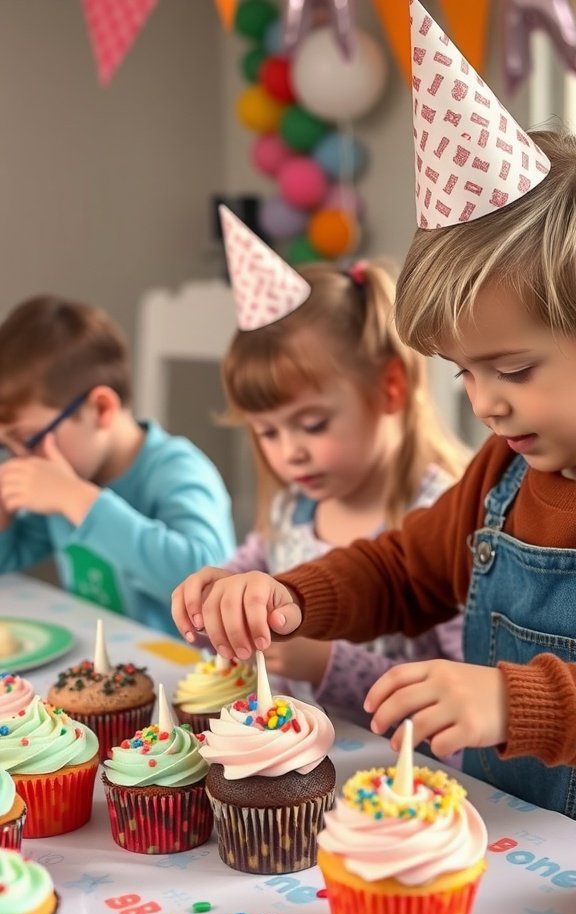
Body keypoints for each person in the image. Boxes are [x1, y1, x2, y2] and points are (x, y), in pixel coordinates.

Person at [171, 5, 576, 818]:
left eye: (515, 368)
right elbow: (398, 571)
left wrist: (514, 701)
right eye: (464, 374)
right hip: (511, 847)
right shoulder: (500, 475)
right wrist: (288, 597)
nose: (487, 403)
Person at [175, 207, 467, 727]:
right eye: (267, 432)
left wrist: (328, 664)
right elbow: (245, 579)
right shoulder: (293, 508)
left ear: (389, 388)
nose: (290, 453)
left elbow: (460, 689)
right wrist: (218, 596)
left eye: (311, 424)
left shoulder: (439, 516)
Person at [0, 295, 235, 635]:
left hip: (189, 673)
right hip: (101, 666)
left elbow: (209, 578)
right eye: (6, 445)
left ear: (102, 408)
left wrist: (79, 500)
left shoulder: (176, 469)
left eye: (29, 437)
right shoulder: (65, 474)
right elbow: (9, 561)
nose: (22, 457)